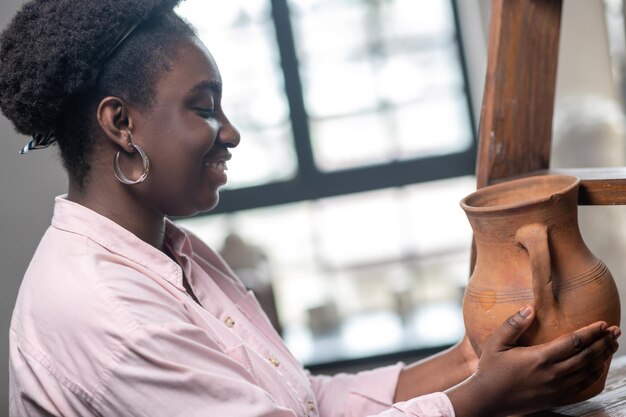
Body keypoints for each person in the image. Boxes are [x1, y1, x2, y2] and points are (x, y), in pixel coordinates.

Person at [1, 1, 620, 416]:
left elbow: (305, 401)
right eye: (204, 106)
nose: (232, 132)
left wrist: (467, 361)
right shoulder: (104, 309)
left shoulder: (176, 256)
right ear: (120, 123)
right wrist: (475, 400)